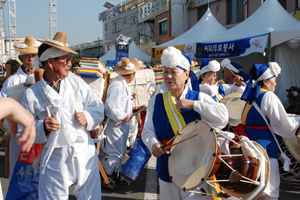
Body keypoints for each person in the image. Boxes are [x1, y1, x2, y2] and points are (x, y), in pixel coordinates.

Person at [21, 32, 104, 199]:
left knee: (90, 195)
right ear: (50, 62)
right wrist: (42, 127)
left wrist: (87, 116)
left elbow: (98, 107)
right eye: (65, 60)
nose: (69, 64)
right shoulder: (32, 94)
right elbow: (23, 128)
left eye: (69, 60)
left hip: (82, 150)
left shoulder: (76, 83)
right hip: (55, 155)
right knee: (52, 196)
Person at [141, 46, 228, 200]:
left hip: (196, 166)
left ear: (186, 74)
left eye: (173, 72)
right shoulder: (156, 101)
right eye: (166, 72)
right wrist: (153, 144)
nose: (168, 76)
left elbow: (223, 118)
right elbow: (147, 130)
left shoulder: (198, 97)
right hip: (167, 164)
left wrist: (193, 105)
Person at [240, 62, 300, 200]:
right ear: (266, 81)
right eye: (275, 80)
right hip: (265, 153)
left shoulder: (252, 98)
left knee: (254, 192)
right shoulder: (268, 96)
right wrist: (297, 121)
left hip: (250, 150)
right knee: (268, 193)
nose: (276, 83)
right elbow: (281, 124)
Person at [102, 57, 139, 188]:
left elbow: (119, 101)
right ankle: (104, 175)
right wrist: (123, 116)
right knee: (116, 154)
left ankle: (115, 175)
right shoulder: (118, 85)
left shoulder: (121, 84)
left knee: (120, 152)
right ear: (132, 74)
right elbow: (110, 108)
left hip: (120, 125)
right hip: (115, 125)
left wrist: (129, 97)